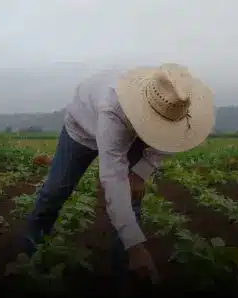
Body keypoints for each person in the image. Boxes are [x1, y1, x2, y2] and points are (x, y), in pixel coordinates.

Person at [17, 63, 215, 287]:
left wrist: (141, 174)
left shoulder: (175, 103)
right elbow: (112, 178)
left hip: (132, 128)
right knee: (56, 190)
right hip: (82, 131)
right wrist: (136, 246)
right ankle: (28, 257)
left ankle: (126, 276)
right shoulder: (113, 108)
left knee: (132, 197)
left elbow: (168, 142)